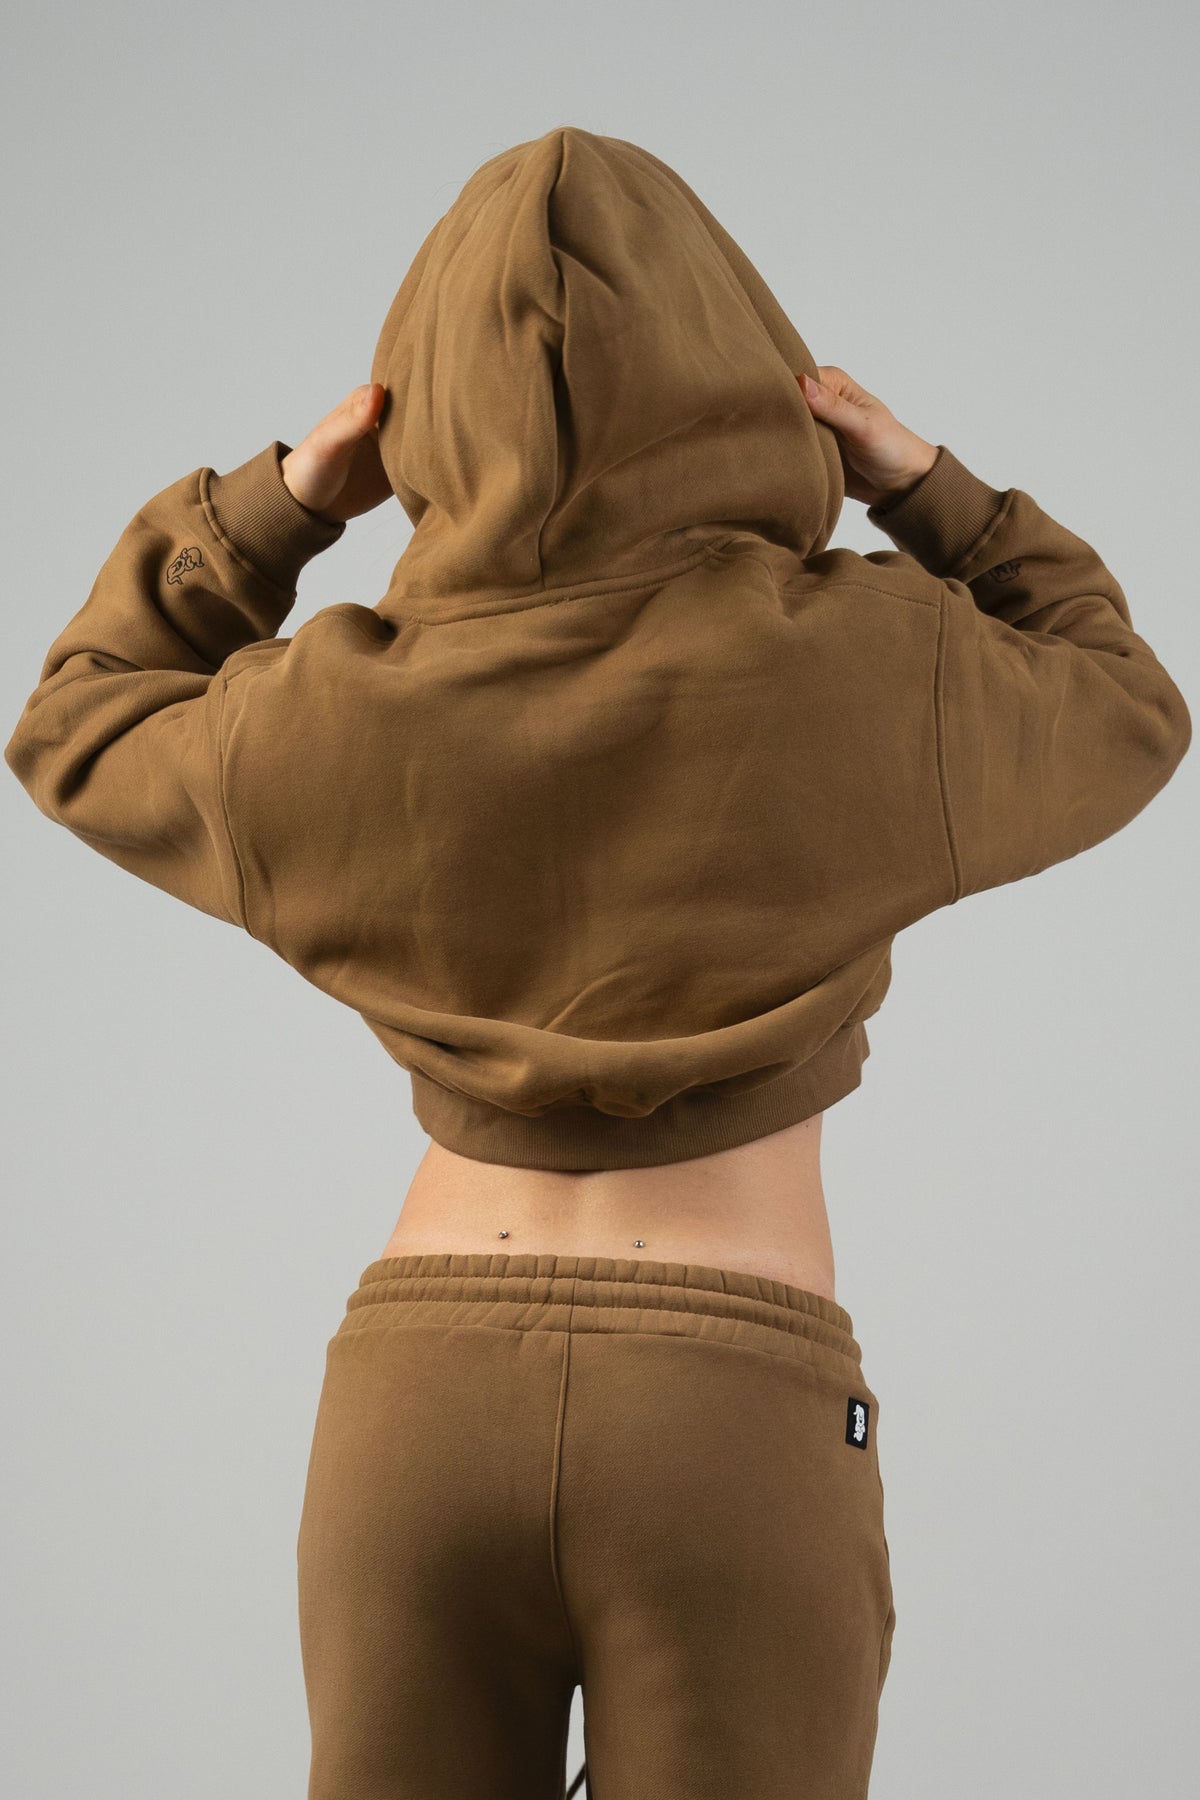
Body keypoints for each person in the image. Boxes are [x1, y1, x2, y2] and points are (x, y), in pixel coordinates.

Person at [6, 127, 1190, 1799]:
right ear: (753, 378)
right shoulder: (876, 670)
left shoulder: (330, 710)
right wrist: (927, 484)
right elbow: (1128, 700)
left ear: (416, 410)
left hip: (419, 1403)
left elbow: (74, 723)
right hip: (729, 1404)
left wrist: (279, 504)